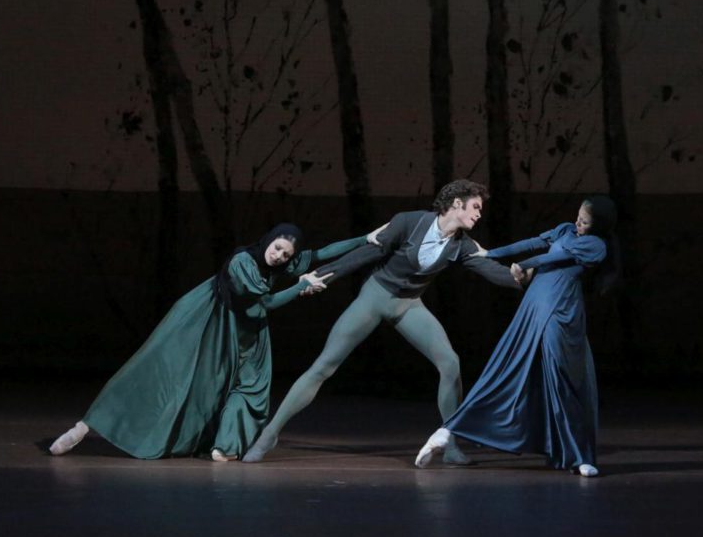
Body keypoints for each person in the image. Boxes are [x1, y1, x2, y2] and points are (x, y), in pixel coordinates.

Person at [242, 180, 524, 464]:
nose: (478, 214)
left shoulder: (461, 245)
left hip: (409, 305)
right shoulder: (409, 223)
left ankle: (450, 444)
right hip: (375, 298)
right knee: (323, 366)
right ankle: (269, 435)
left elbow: (491, 270)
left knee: (450, 362)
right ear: (456, 204)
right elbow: (368, 252)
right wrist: (324, 275)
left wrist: (524, 275)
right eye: (475, 207)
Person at [48, 223, 379, 461]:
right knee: (154, 374)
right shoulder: (243, 263)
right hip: (204, 323)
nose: (279, 256)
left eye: (286, 253)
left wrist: (367, 238)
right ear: (268, 240)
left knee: (244, 388)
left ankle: (224, 445)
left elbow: (321, 253)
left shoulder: (279, 263)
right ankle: (82, 428)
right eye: (277, 248)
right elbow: (265, 303)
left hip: (245, 332)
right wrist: (299, 286)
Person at [414, 196, 618, 477]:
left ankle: (577, 455)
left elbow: (553, 258)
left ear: (599, 226)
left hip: (561, 309)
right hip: (538, 304)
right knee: (510, 368)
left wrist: (524, 265)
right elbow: (533, 243)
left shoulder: (596, 245)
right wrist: (491, 254)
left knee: (560, 378)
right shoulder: (565, 230)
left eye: (584, 221)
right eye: (578, 217)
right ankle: (447, 431)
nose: (577, 223)